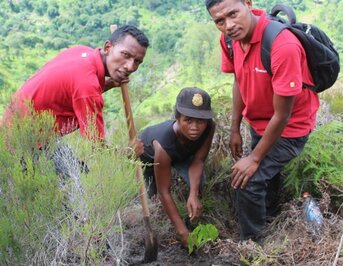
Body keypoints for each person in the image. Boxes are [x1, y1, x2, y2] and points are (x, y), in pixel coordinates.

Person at [205, 0, 320, 241]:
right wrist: (235, 128)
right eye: (219, 21)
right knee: (266, 175)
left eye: (233, 14)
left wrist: (254, 158)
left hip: (290, 127)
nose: (228, 25)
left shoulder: (282, 45)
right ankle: (269, 218)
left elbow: (283, 115)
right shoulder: (230, 40)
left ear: (247, 3)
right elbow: (239, 79)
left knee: (247, 180)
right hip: (259, 121)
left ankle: (255, 246)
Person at [2, 25, 149, 157]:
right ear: (108, 48)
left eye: (137, 61)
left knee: (77, 168)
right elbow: (95, 147)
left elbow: (74, 92)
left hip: (14, 128)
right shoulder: (88, 86)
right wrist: (127, 153)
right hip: (19, 146)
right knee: (72, 182)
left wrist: (109, 84)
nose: (130, 67)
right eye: (126, 55)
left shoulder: (82, 52)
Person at [139, 87, 215, 248]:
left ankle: (190, 221)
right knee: (153, 198)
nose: (195, 127)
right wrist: (182, 233)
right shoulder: (162, 145)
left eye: (200, 121)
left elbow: (198, 160)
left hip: (181, 153)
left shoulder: (209, 127)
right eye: (188, 120)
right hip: (150, 158)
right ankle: (178, 229)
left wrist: (193, 194)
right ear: (177, 118)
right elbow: (164, 191)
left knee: (199, 182)